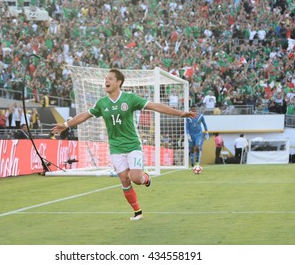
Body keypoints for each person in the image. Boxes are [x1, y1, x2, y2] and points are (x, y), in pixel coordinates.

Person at [51, 69, 197, 221]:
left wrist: (180, 114)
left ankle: (145, 178)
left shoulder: (130, 98)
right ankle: (137, 211)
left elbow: (155, 106)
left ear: (118, 82)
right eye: (106, 78)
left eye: (110, 78)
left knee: (136, 178)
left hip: (133, 145)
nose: (106, 81)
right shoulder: (102, 103)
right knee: (124, 179)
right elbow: (85, 115)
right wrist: (66, 124)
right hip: (115, 147)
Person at [185, 104, 209, 169]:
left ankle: (197, 162)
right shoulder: (188, 117)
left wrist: (206, 132)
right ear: (191, 110)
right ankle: (192, 162)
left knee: (197, 147)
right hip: (191, 135)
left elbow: (204, 124)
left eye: (194, 109)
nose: (193, 111)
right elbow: (187, 127)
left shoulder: (200, 116)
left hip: (198, 135)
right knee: (191, 148)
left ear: (196, 109)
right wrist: (188, 134)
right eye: (192, 110)